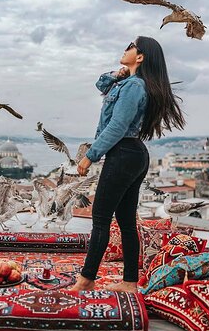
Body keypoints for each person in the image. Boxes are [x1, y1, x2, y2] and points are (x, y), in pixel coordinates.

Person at [69, 36, 186, 293]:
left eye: (131, 46)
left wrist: (92, 155)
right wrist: (118, 72)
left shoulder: (133, 86)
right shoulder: (127, 82)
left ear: (141, 56)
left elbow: (118, 126)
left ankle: (87, 278)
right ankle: (130, 282)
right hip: (133, 154)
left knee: (100, 218)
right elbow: (100, 83)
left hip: (123, 153)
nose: (125, 49)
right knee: (125, 221)